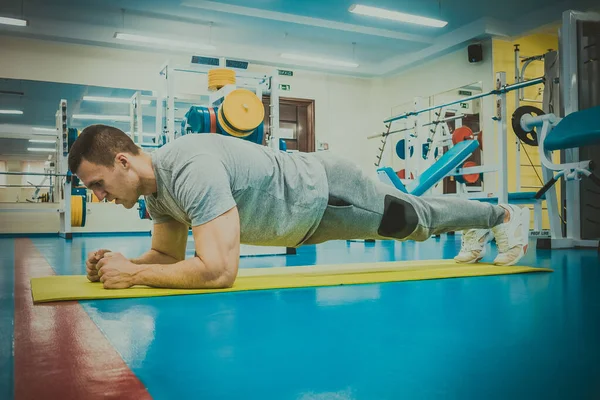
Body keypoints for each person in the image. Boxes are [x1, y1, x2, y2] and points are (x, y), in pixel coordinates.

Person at [69, 125, 530, 290]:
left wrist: (133, 275)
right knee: (416, 221)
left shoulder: (191, 168)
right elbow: (168, 258)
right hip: (303, 222)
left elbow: (218, 272)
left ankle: (502, 217)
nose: (97, 196)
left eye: (97, 184)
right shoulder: (155, 194)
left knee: (416, 222)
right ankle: (483, 224)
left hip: (325, 190)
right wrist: (124, 263)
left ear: (123, 161)